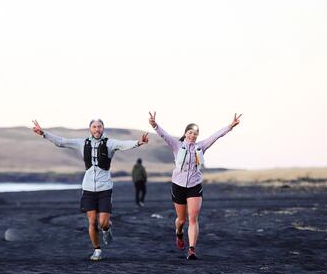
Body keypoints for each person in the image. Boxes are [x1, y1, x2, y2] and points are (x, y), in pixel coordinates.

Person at [32, 118, 149, 261]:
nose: (97, 129)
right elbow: (62, 142)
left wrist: (138, 142)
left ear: (103, 128)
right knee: (92, 221)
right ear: (90, 129)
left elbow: (124, 144)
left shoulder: (110, 143)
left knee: (103, 222)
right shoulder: (82, 143)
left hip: (105, 187)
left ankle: (107, 229)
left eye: (99, 126)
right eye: (94, 127)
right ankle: (97, 250)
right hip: (88, 188)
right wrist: (43, 133)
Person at [148, 111, 242, 260]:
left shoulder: (201, 146)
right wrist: (154, 125)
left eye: (195, 134)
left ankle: (191, 249)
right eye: (190, 133)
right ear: (185, 133)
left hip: (194, 185)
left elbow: (216, 136)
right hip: (178, 185)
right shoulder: (177, 145)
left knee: (193, 218)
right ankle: (179, 233)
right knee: (182, 220)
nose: (192, 136)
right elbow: (164, 135)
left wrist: (230, 126)